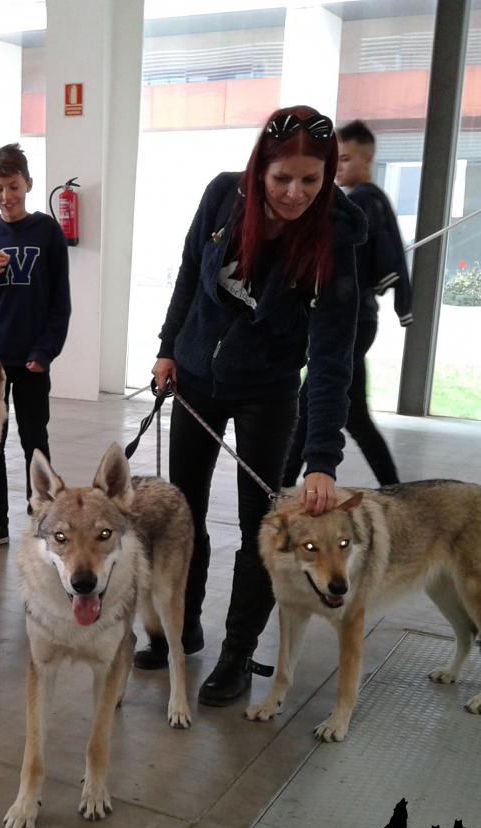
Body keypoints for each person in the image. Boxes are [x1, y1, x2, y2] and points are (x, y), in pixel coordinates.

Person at [139, 105, 365, 706]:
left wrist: (322, 458)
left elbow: (332, 361)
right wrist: (167, 349)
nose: (295, 193)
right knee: (182, 515)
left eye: (310, 181)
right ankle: (180, 629)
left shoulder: (335, 242)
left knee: (259, 530)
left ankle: (238, 652)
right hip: (195, 380)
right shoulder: (221, 199)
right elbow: (190, 273)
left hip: (267, 393)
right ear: (258, 171)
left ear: (327, 177)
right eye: (281, 178)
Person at [283, 120, 412, 487]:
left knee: (308, 409)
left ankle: (278, 493)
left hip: (350, 322)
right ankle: (394, 488)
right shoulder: (370, 200)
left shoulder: (360, 203)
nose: (337, 168)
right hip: (359, 320)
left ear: (367, 158)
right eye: (335, 161)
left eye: (345, 159)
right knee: (354, 416)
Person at [0, 142, 71, 551]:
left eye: (13, 186)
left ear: (28, 184)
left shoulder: (48, 233)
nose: (7, 196)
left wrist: (45, 353)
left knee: (34, 439)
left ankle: (43, 515)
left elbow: (60, 303)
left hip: (32, 361)